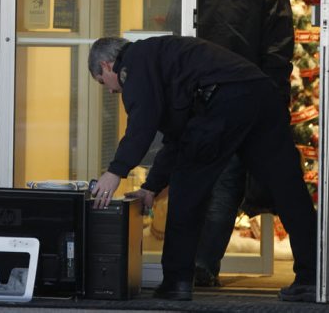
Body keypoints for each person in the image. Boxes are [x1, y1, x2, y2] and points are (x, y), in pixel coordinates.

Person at [88, 35, 317, 302]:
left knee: (187, 191)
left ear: (106, 65)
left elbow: (142, 123)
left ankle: (176, 281)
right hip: (260, 94)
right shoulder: (163, 60)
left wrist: (115, 171)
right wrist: (151, 187)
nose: (112, 91)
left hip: (223, 101)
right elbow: (176, 140)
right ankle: (312, 277)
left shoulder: (134, 62)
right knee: (287, 187)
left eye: (103, 83)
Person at [194, 0, 294, 287]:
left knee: (195, 180)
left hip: (202, 98)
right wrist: (274, 105)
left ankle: (185, 265)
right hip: (249, 99)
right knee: (230, 183)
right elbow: (279, 53)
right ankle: (203, 264)